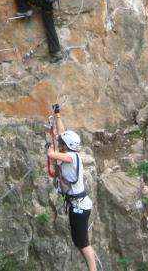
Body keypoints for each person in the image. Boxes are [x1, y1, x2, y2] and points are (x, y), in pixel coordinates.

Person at [47, 105, 97, 271]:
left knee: (82, 243)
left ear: (67, 145)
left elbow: (51, 154)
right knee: (79, 241)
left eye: (62, 143)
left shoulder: (71, 157)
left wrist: (49, 145)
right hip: (78, 206)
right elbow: (62, 134)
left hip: (79, 207)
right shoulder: (71, 153)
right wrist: (57, 116)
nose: (60, 143)